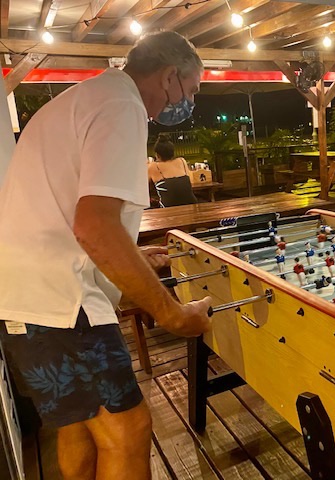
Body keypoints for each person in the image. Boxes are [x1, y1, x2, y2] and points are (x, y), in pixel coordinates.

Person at [0, 31, 212, 480]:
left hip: (23, 298)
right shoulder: (122, 104)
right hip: (64, 302)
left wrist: (131, 257)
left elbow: (68, 214)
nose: (188, 103)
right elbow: (94, 226)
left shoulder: (80, 98)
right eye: (190, 90)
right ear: (169, 76)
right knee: (128, 432)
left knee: (78, 427)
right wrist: (174, 316)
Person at [148, 134, 197, 207]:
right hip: (191, 206)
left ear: (157, 155)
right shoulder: (182, 161)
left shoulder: (153, 166)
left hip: (168, 209)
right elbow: (190, 182)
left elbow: (144, 188)